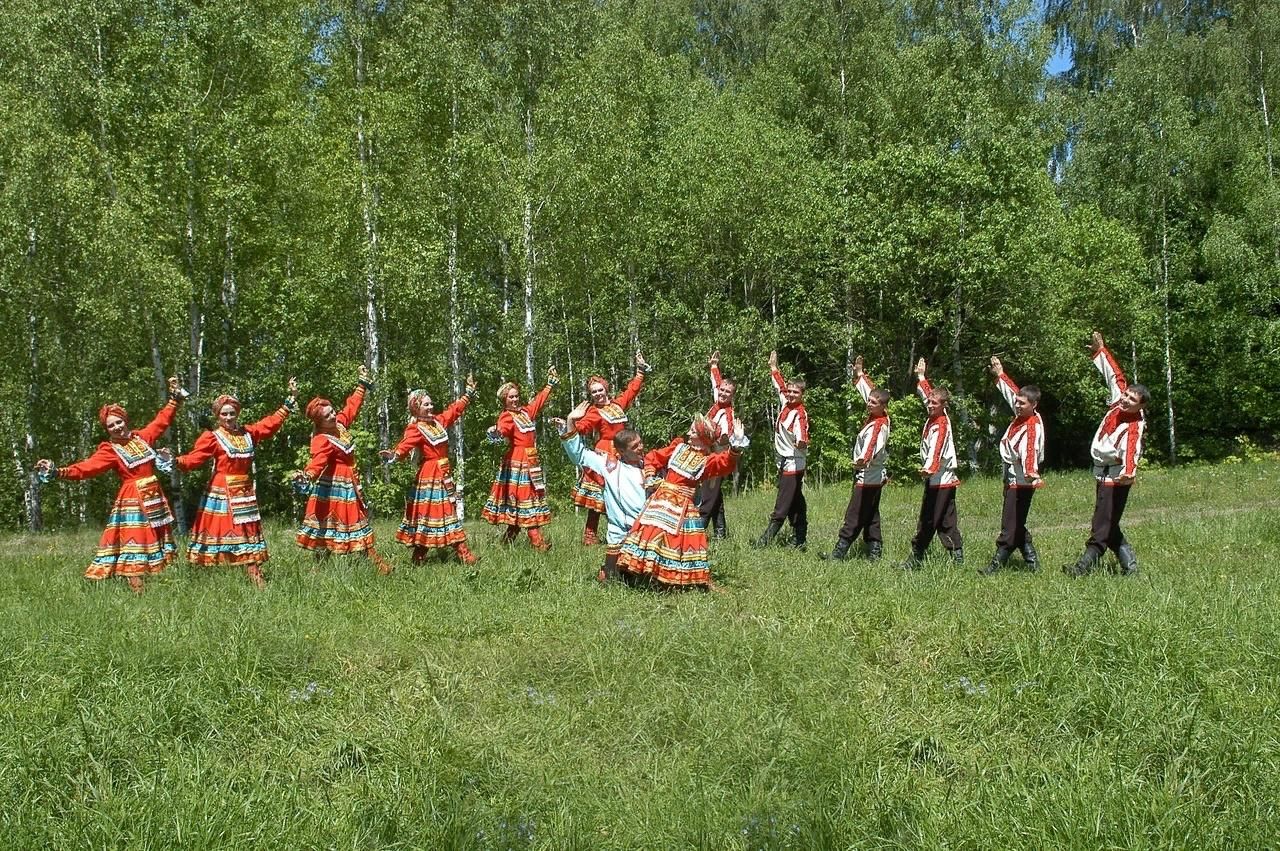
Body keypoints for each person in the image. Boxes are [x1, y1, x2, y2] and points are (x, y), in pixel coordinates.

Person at [35, 377, 189, 593]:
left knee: (154, 540)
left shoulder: (142, 438)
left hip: (153, 496)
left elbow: (161, 421)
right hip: (133, 499)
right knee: (135, 540)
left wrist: (174, 400)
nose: (117, 427)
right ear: (107, 430)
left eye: (119, 422)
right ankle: (138, 590)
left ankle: (155, 587)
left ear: (126, 420)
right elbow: (86, 468)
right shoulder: (110, 450)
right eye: (111, 426)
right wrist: (58, 471)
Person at [175, 378, 298, 588]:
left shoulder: (248, 433)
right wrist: (174, 461)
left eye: (232, 413)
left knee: (245, 532)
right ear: (218, 416)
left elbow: (269, 425)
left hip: (244, 492)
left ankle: (251, 572)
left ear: (237, 413)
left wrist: (287, 404)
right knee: (222, 533)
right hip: (222, 493)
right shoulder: (212, 438)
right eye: (224, 414)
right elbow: (194, 459)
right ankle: (207, 580)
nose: (229, 417)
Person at [618, 415, 748, 589]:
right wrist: (649, 476)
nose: (688, 431)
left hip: (682, 506)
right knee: (649, 533)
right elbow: (654, 457)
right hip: (661, 499)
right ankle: (635, 573)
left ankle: (668, 578)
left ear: (702, 437)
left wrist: (736, 447)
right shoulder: (677, 447)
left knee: (677, 541)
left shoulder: (706, 461)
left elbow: (725, 462)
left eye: (693, 430)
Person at [293, 366, 392, 574]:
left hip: (348, 485)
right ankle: (375, 566)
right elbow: (317, 462)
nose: (333, 415)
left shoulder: (339, 425)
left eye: (332, 411)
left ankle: (373, 564)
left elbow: (351, 408)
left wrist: (361, 385)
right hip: (332, 489)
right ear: (319, 422)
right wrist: (307, 475)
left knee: (349, 525)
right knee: (333, 527)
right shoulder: (322, 439)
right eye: (328, 416)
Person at [1065, 331, 1149, 577]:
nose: (1125, 400)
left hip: (1116, 478)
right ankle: (1130, 565)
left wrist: (1128, 474)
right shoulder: (1117, 402)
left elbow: (1132, 452)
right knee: (1107, 523)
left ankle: (1082, 568)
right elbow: (1115, 377)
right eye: (1126, 395)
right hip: (1101, 475)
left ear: (1141, 406)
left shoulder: (1134, 425)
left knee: (1101, 526)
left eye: (1132, 400)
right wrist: (1101, 351)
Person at [380, 374, 479, 566]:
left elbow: (454, 411)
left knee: (445, 514)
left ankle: (425, 559)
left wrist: (467, 395)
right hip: (429, 476)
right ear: (416, 407)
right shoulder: (415, 428)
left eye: (431, 403)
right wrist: (394, 455)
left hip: (443, 473)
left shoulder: (438, 422)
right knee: (436, 516)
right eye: (426, 404)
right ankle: (461, 556)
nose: (431, 407)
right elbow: (404, 446)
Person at [553, 401, 649, 584]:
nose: (641, 449)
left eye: (641, 443)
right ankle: (612, 569)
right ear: (621, 451)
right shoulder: (610, 466)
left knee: (648, 577)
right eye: (635, 447)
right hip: (619, 532)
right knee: (609, 579)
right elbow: (579, 455)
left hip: (645, 532)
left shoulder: (649, 466)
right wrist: (571, 421)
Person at [569, 352, 651, 545]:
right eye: (594, 392)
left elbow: (631, 391)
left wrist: (640, 371)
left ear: (606, 390)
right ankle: (590, 535)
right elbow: (583, 427)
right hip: (605, 454)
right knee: (600, 496)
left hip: (625, 450)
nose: (597, 394)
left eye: (600, 390)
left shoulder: (617, 405)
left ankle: (631, 527)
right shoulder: (593, 412)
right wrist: (568, 424)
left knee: (627, 490)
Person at [481, 367, 559, 551]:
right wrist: (496, 432)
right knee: (526, 500)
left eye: (516, 396)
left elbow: (538, 403)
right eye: (511, 397)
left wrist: (549, 385)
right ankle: (537, 542)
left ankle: (506, 543)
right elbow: (502, 430)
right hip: (518, 463)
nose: (515, 400)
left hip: (531, 461)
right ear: (504, 400)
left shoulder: (525, 413)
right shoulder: (506, 416)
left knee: (525, 502)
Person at [822, 355, 890, 561]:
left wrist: (862, 461)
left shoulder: (879, 424)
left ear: (882, 406)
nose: (868, 404)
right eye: (869, 400)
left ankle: (838, 553)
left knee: (855, 514)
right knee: (871, 515)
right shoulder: (876, 415)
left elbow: (871, 447)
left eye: (873, 402)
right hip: (871, 475)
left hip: (868, 474)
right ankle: (874, 553)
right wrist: (860, 374)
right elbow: (870, 392)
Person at [981, 355, 1045, 575]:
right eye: (1017, 402)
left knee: (1010, 523)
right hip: (1012, 476)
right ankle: (1031, 561)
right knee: (1015, 520)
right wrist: (1000, 374)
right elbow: (1013, 393)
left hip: (1022, 479)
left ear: (1034, 405)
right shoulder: (1023, 414)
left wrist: (1030, 474)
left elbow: (1030, 452)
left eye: (1022, 403)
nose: (1017, 405)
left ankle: (996, 564)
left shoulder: (1032, 425)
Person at [901, 358, 962, 569]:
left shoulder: (941, 424)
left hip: (940, 477)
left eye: (934, 403)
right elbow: (928, 394)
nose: (929, 405)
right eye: (929, 402)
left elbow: (937, 449)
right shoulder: (934, 414)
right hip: (938, 477)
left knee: (929, 518)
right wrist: (920, 377)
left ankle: (916, 557)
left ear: (944, 406)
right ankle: (957, 556)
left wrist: (930, 468)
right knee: (946, 518)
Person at [752, 350, 809, 550]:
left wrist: (801, 443)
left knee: (783, 502)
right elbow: (780, 386)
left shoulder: (800, 414)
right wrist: (773, 368)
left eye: (796, 392)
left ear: (802, 394)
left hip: (793, 462)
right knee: (795, 500)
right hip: (784, 460)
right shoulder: (786, 403)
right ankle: (800, 539)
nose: (791, 394)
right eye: (790, 391)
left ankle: (765, 541)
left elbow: (803, 436)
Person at [698, 351, 737, 539]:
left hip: (716, 459)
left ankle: (698, 531)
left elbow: (726, 437)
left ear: (732, 396)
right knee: (715, 495)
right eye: (722, 390)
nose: (722, 393)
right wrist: (714, 365)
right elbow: (716, 382)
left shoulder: (728, 414)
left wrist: (710, 433)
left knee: (708, 495)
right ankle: (721, 533)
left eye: (727, 392)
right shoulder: (717, 403)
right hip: (708, 456)